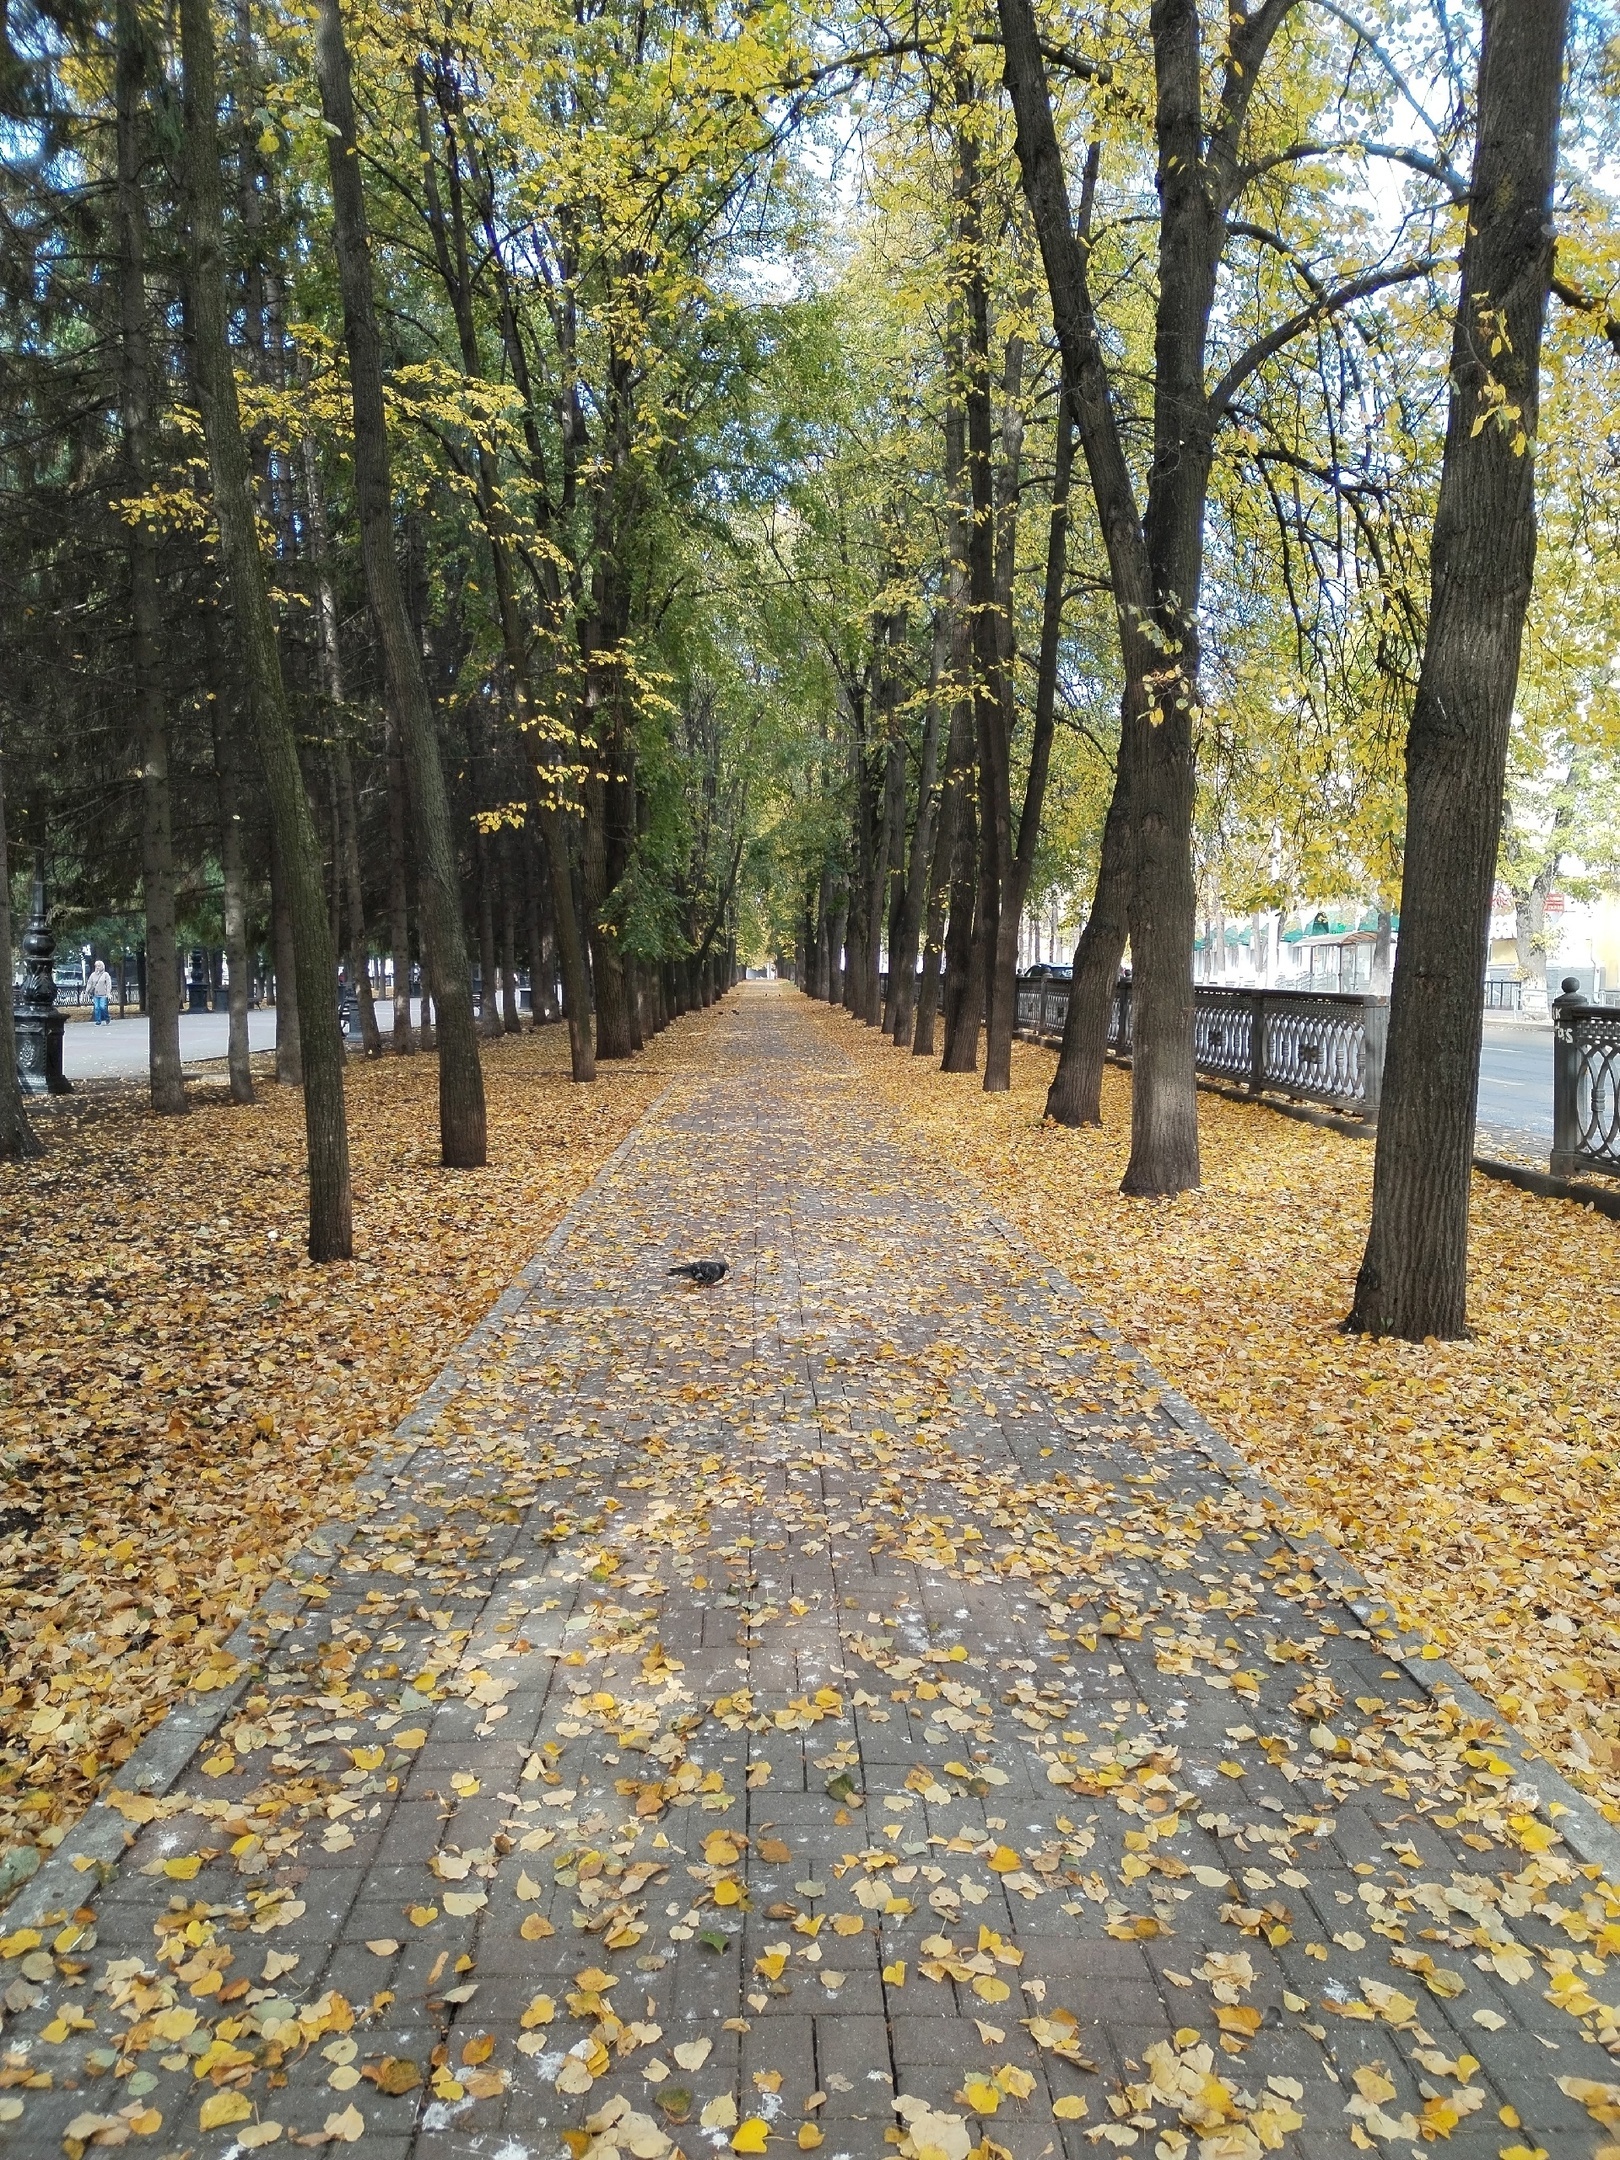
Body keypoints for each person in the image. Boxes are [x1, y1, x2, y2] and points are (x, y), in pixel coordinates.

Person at [87, 957, 113, 1026]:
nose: (97, 967)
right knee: (97, 1008)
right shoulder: (93, 975)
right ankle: (98, 1021)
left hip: (103, 994)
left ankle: (107, 1017)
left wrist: (108, 993)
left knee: (102, 1007)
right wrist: (87, 991)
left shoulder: (105, 974)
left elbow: (108, 984)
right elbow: (89, 983)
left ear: (102, 966)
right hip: (95, 994)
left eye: (99, 966)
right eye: (96, 966)